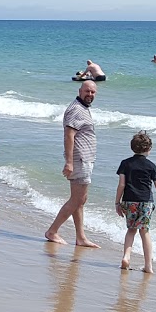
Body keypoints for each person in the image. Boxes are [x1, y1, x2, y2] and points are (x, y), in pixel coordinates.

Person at [46, 80, 100, 247]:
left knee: (80, 200)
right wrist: (69, 162)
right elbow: (69, 135)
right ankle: (52, 231)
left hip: (83, 160)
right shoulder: (77, 109)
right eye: (87, 91)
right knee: (78, 199)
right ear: (80, 90)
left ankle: (80, 237)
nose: (90, 94)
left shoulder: (82, 108)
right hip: (79, 160)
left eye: (93, 92)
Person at [115, 131, 156, 273]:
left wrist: (117, 203)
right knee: (144, 232)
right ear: (149, 149)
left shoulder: (125, 163)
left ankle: (126, 256)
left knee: (131, 230)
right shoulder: (151, 166)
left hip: (129, 201)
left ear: (132, 147)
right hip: (146, 203)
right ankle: (148, 266)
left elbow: (121, 185)